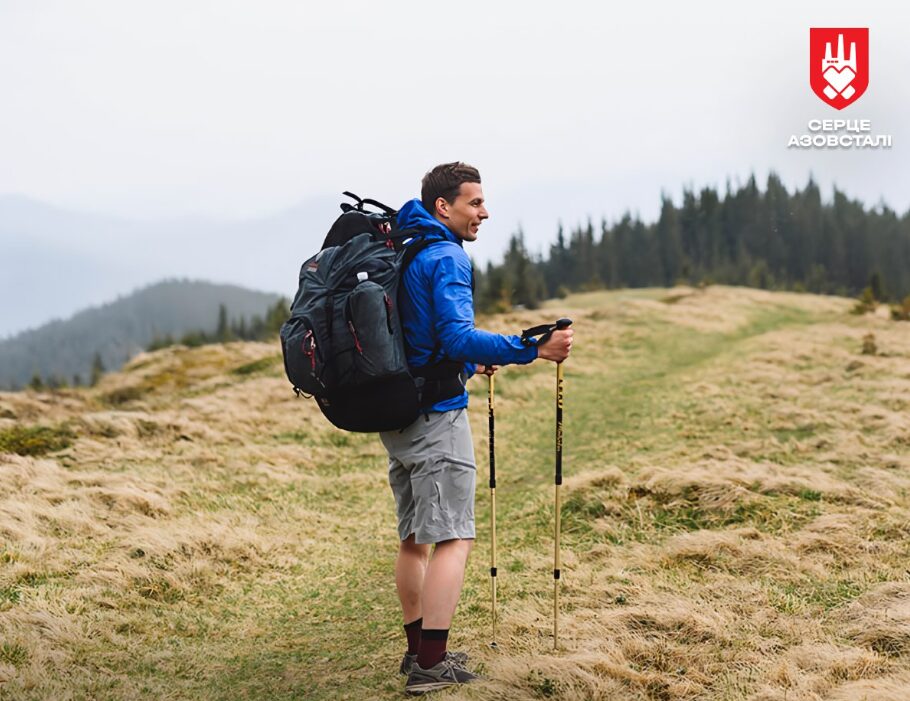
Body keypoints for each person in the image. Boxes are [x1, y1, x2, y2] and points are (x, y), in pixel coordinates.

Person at [380, 162, 573, 695]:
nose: (484, 212)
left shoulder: (410, 246)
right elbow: (459, 335)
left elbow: (425, 337)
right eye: (474, 203)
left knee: (416, 537)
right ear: (444, 206)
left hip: (396, 412)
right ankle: (430, 665)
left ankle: (418, 647)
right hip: (435, 417)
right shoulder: (444, 256)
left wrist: (465, 365)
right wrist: (532, 348)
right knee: (455, 537)